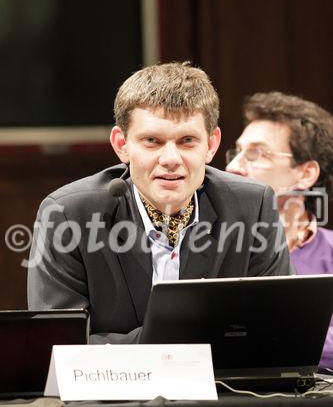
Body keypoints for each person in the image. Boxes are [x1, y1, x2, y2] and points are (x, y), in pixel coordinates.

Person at [28, 63, 291, 343]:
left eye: (187, 141)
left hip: (225, 386)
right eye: (152, 141)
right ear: (122, 145)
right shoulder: (67, 214)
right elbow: (59, 345)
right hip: (114, 386)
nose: (170, 159)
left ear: (211, 145)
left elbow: (277, 327)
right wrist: (177, 343)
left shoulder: (253, 206)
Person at [225, 91, 333, 369]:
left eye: (256, 154)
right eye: (236, 153)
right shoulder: (207, 245)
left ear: (306, 174)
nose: (233, 167)